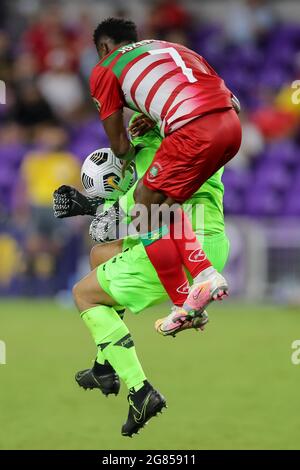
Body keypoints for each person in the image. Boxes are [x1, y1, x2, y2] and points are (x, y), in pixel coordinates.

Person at [53, 113, 231, 436]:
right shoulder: (208, 136)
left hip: (181, 243)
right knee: (100, 256)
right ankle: (105, 365)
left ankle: (140, 391)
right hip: (213, 239)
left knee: (83, 294)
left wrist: (89, 207)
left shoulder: (153, 149)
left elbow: (143, 203)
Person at [88, 17, 241, 336]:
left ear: (104, 47)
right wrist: (155, 116)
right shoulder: (175, 49)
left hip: (192, 129)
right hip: (230, 129)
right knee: (161, 203)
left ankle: (200, 281)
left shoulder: (105, 67)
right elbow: (232, 103)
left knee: (145, 201)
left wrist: (130, 156)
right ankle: (188, 303)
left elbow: (118, 146)